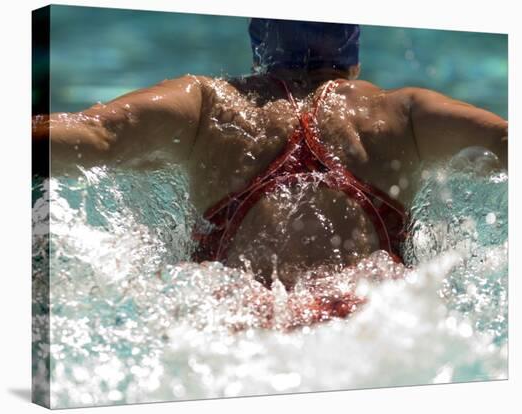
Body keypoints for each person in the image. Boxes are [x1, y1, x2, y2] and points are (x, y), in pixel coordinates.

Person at [33, 18, 508, 290]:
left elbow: (91, 137)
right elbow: (505, 144)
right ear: (354, 56)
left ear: (259, 46)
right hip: (364, 321)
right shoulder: (403, 113)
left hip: (240, 320)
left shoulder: (207, 104)